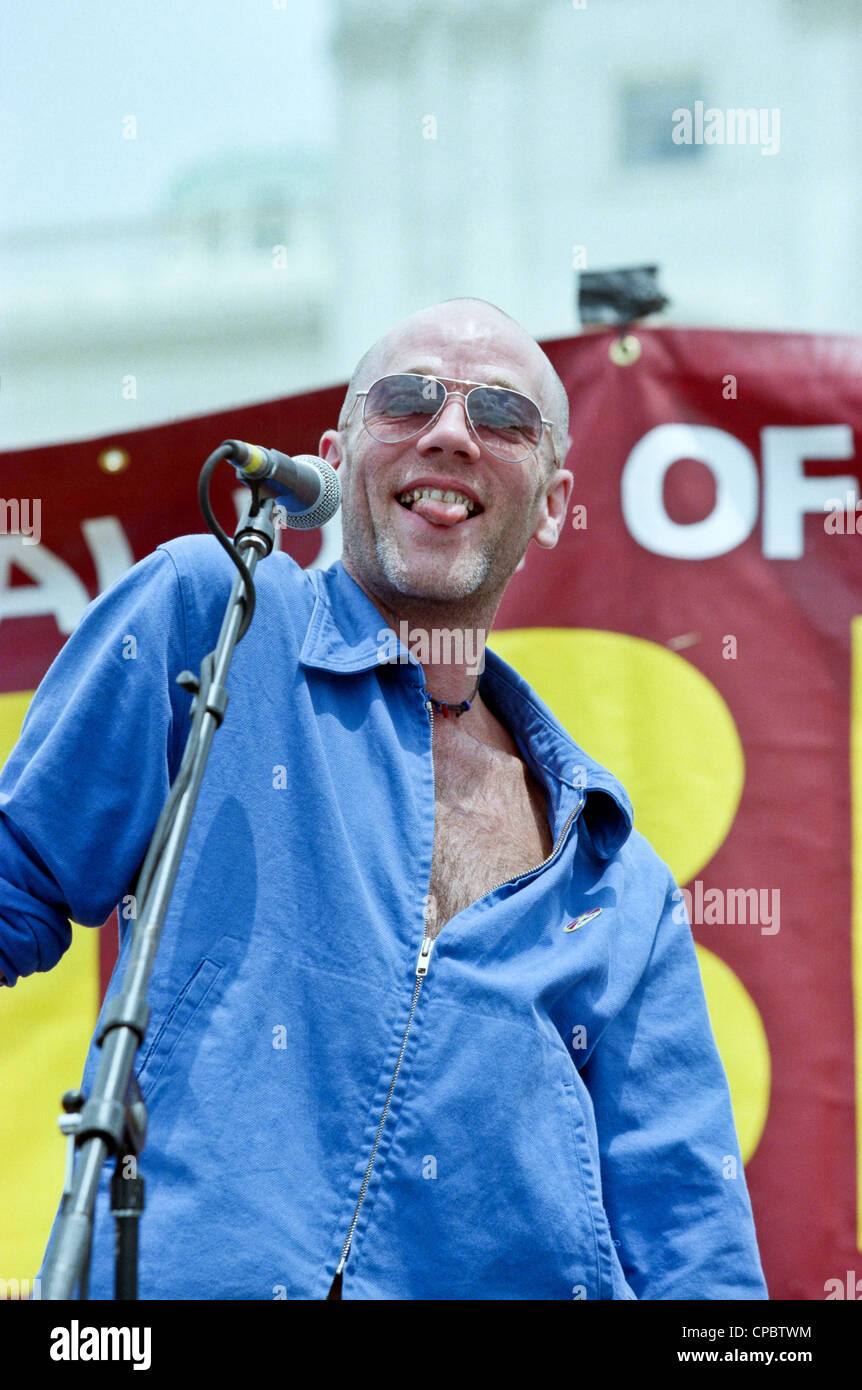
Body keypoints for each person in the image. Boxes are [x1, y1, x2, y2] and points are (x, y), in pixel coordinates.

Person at [0, 298, 768, 1300]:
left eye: (500, 417)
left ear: (551, 500)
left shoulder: (613, 875)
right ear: (337, 453)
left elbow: (693, 1242)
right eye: (406, 400)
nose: (449, 431)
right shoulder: (214, 616)